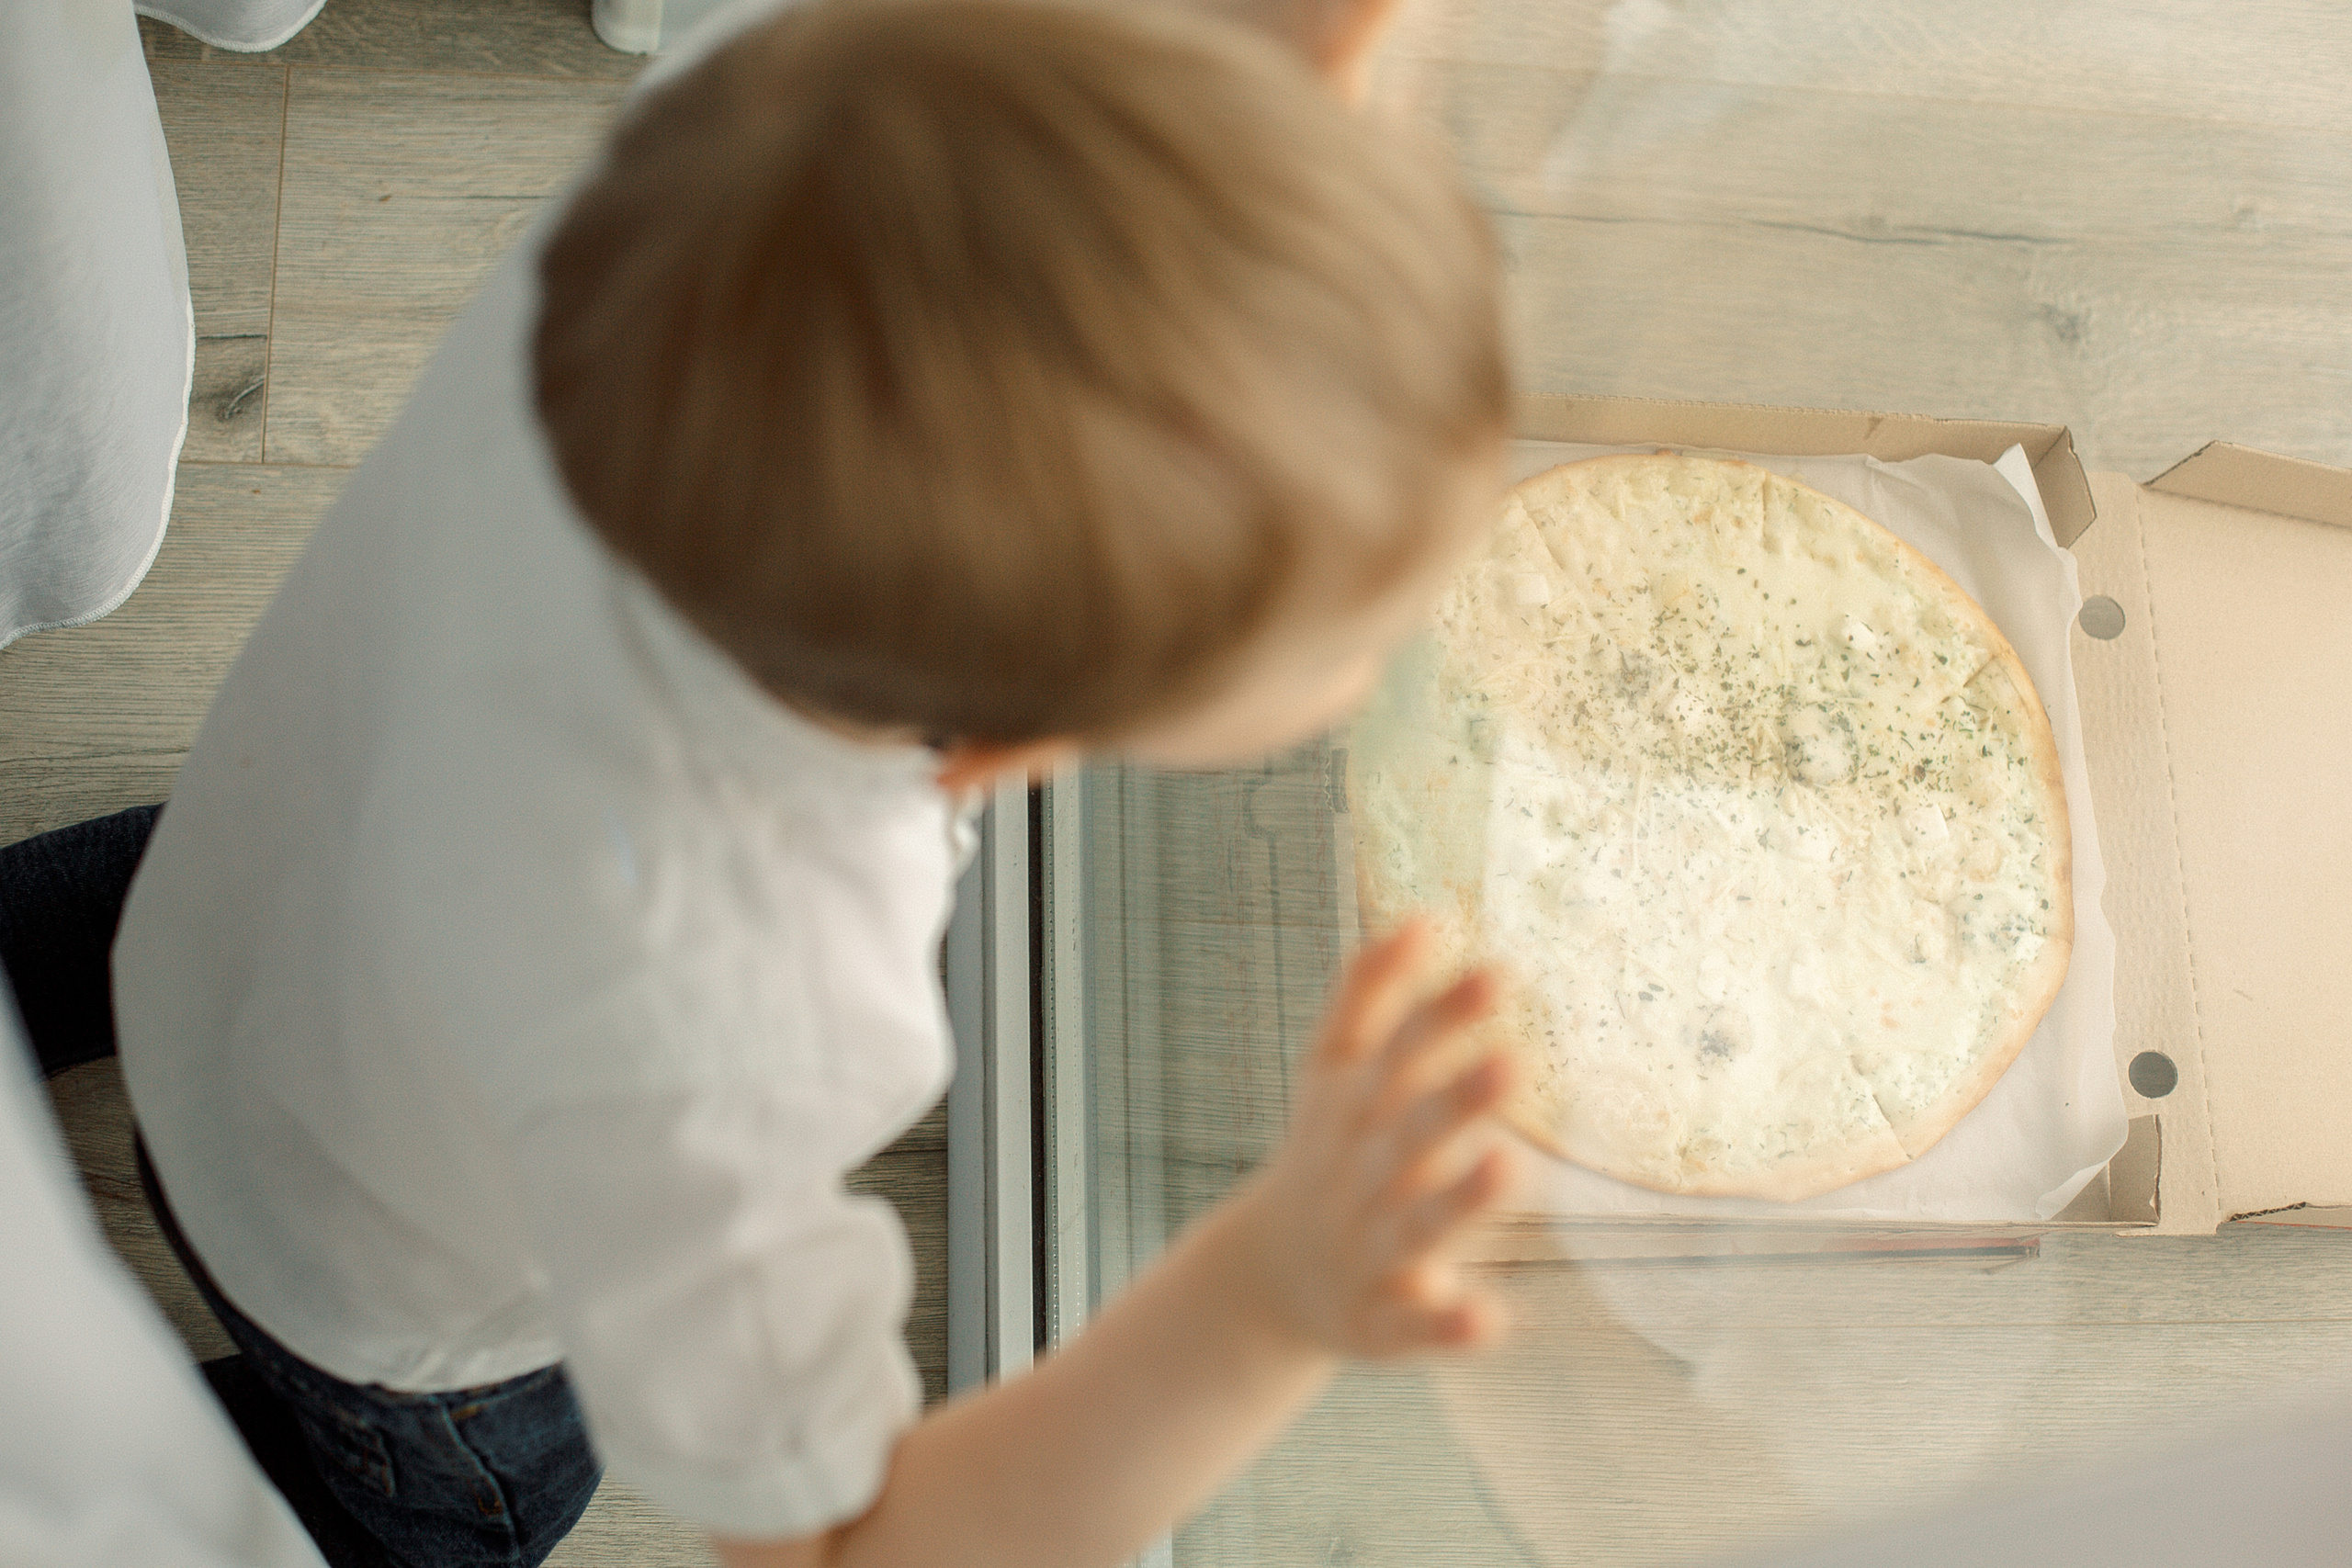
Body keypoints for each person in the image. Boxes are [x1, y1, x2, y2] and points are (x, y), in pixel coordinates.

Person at [112, 1, 1517, 1564]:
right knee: (473, 1516)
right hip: (379, 1293)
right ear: (1001, 756)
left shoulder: (766, 135)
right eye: (1357, 646)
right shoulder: (732, 1017)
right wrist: (1266, 1297)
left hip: (234, 909)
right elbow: (851, 1551)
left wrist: (1254, 126)